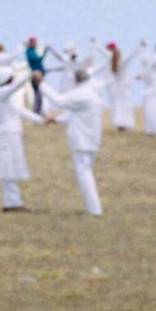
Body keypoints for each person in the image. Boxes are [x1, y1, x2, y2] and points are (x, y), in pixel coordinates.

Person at [42, 65, 106, 216]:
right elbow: (72, 114)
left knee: (84, 174)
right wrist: (56, 120)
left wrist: (41, 83)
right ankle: (95, 208)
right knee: (86, 172)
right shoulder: (93, 93)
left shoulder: (82, 94)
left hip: (82, 140)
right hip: (92, 139)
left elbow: (59, 101)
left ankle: (95, 210)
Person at [0, 64, 46, 211]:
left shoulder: (5, 96)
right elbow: (14, 87)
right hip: (7, 134)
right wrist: (29, 76)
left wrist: (41, 120)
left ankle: (14, 201)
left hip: (12, 134)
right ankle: (11, 203)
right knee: (8, 168)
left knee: (12, 167)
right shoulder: (0, 93)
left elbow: (20, 111)